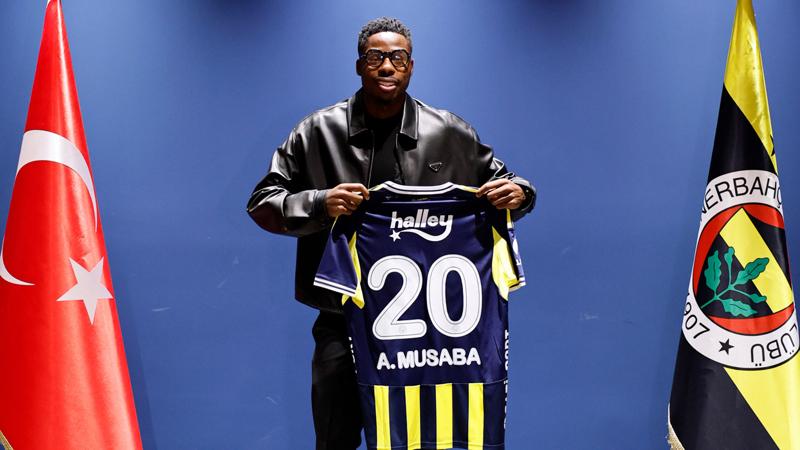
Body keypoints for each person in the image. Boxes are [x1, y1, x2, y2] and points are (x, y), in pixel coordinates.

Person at [247, 16, 536, 450]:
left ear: (411, 66)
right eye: (375, 57)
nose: (387, 66)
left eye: (398, 58)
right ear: (359, 65)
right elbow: (263, 202)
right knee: (335, 439)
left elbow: (509, 184)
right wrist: (320, 203)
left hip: (428, 332)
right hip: (341, 320)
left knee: (424, 438)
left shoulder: (449, 132)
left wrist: (521, 194)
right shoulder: (317, 131)